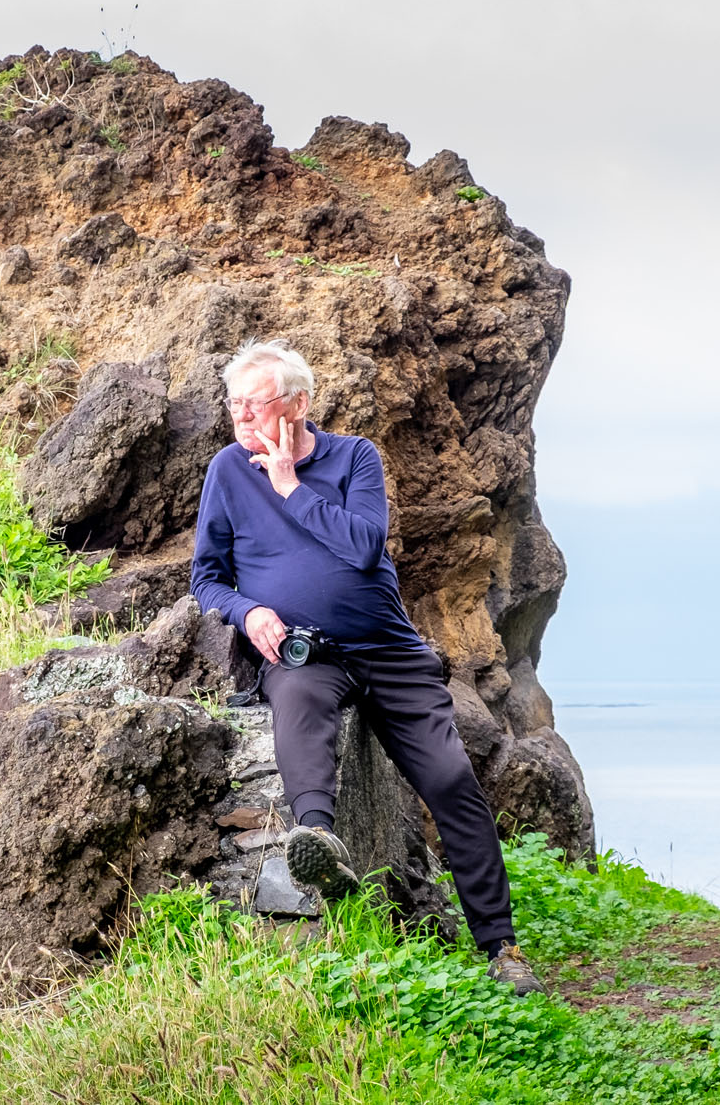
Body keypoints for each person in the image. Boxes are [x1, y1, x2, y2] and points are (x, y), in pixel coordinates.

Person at [189, 338, 545, 997]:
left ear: (297, 405)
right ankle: (318, 847)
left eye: (254, 404)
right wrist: (247, 611)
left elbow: (361, 547)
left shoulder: (355, 457)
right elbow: (205, 578)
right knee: (295, 698)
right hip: (304, 654)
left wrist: (290, 486)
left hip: (388, 648)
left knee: (452, 783)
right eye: (233, 403)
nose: (239, 417)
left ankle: (502, 946)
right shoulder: (226, 471)